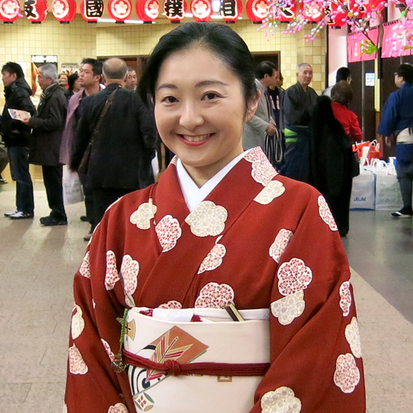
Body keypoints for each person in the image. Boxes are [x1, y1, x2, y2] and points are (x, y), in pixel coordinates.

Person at [64, 23, 365, 413]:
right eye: (169, 99)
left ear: (251, 101)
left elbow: (318, 357)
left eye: (210, 96)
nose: (189, 119)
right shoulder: (121, 219)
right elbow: (92, 349)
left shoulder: (300, 211)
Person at [70, 57, 157, 232]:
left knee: (103, 222)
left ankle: (104, 254)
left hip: (99, 171)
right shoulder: (138, 100)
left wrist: (76, 164)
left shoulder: (89, 102)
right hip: (132, 172)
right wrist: (147, 156)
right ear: (125, 77)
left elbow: (80, 138)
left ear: (102, 76)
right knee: (132, 221)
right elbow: (150, 134)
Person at [60, 58, 103, 240]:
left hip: (104, 150)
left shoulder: (109, 96)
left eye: (85, 71)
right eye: (80, 71)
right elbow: (71, 127)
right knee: (89, 190)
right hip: (84, 152)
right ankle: (94, 225)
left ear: (97, 77)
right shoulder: (75, 99)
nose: (81, 74)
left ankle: (105, 225)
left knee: (104, 189)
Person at [20, 64, 68, 226]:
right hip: (49, 146)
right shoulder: (51, 94)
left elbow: (55, 121)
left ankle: (58, 213)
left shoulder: (55, 96)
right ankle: (55, 211)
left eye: (40, 77)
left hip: (52, 147)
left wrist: (32, 121)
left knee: (53, 181)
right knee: (51, 181)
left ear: (49, 78)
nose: (38, 80)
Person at [308, 96, 355, 237]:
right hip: (340, 174)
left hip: (326, 175)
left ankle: (326, 224)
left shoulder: (316, 128)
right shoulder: (335, 127)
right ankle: (340, 226)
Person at [1, 62, 36, 219]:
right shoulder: (13, 91)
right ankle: (21, 206)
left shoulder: (19, 91)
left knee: (21, 174)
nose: (3, 78)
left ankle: (26, 208)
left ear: (13, 76)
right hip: (14, 138)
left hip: (18, 139)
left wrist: (12, 125)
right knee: (18, 173)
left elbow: (28, 112)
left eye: (5, 75)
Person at [378, 63, 413, 218]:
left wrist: (385, 134)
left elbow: (389, 117)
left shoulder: (397, 96)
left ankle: (407, 207)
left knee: (405, 172)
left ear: (401, 78)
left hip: (406, 138)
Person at [281, 63, 318, 182]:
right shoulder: (290, 92)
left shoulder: (312, 93)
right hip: (295, 136)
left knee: (307, 169)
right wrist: (310, 112)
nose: (308, 75)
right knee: (294, 168)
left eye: (310, 73)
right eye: (305, 72)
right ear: (298, 75)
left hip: (309, 136)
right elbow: (292, 116)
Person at [243, 60, 277, 150]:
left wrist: (271, 122)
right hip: (251, 141)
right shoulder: (252, 88)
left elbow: (267, 111)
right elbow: (246, 113)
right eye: (274, 76)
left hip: (262, 139)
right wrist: (265, 126)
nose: (276, 79)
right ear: (266, 76)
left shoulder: (264, 90)